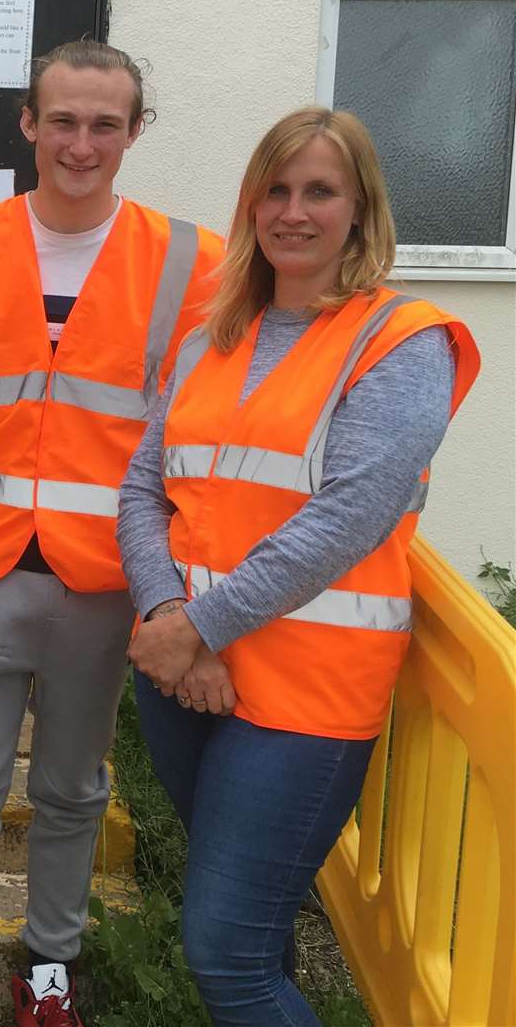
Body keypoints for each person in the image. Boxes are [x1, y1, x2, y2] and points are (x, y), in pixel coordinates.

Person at [0, 39, 224, 1027]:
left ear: (133, 132)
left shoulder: (192, 262)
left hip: (108, 574)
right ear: (29, 124)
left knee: (74, 791)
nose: (82, 143)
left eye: (104, 124)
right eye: (62, 120)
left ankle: (48, 973)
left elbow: (205, 419)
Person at [117, 107, 479, 1025]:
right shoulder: (211, 334)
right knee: (259, 932)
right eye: (273, 189)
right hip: (185, 678)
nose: (293, 211)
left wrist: (195, 627)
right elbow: (144, 489)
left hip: (302, 696)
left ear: (361, 207)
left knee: (226, 954)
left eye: (319, 190)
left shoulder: (402, 340)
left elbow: (346, 520)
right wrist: (172, 621)